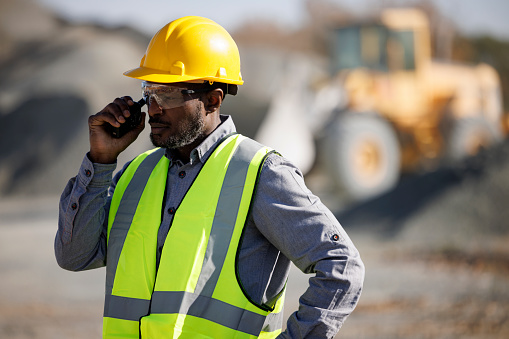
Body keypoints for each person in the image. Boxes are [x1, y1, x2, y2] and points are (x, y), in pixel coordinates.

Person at [55, 16, 364, 338]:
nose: (153, 109)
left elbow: (341, 267)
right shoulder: (134, 174)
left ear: (213, 99)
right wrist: (101, 161)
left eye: (168, 95)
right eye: (149, 92)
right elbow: (74, 256)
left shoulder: (260, 174)